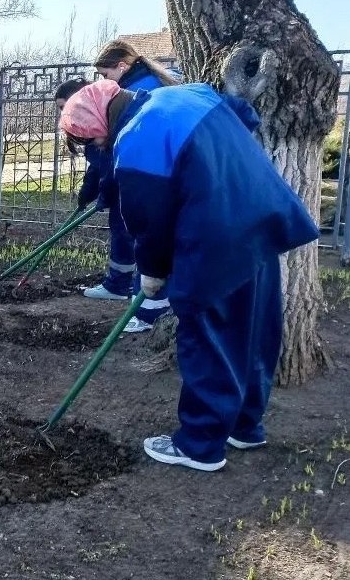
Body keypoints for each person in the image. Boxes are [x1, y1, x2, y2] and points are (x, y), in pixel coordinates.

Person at [60, 79, 319, 472]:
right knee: (254, 329)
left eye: (94, 141)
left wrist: (151, 271)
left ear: (102, 122)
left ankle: (200, 445)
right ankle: (246, 426)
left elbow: (149, 222)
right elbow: (245, 114)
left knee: (206, 335)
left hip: (217, 235)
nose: (98, 148)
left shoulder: (136, 138)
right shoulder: (185, 93)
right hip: (262, 216)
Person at [60, 41, 180, 333]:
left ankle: (149, 314)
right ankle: (124, 287)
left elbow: (121, 164)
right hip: (175, 181)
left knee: (145, 239)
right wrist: (95, 191)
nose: (102, 80)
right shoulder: (128, 100)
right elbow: (107, 162)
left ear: (122, 67)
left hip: (167, 184)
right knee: (140, 236)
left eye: (104, 74)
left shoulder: (137, 103)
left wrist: (107, 191)